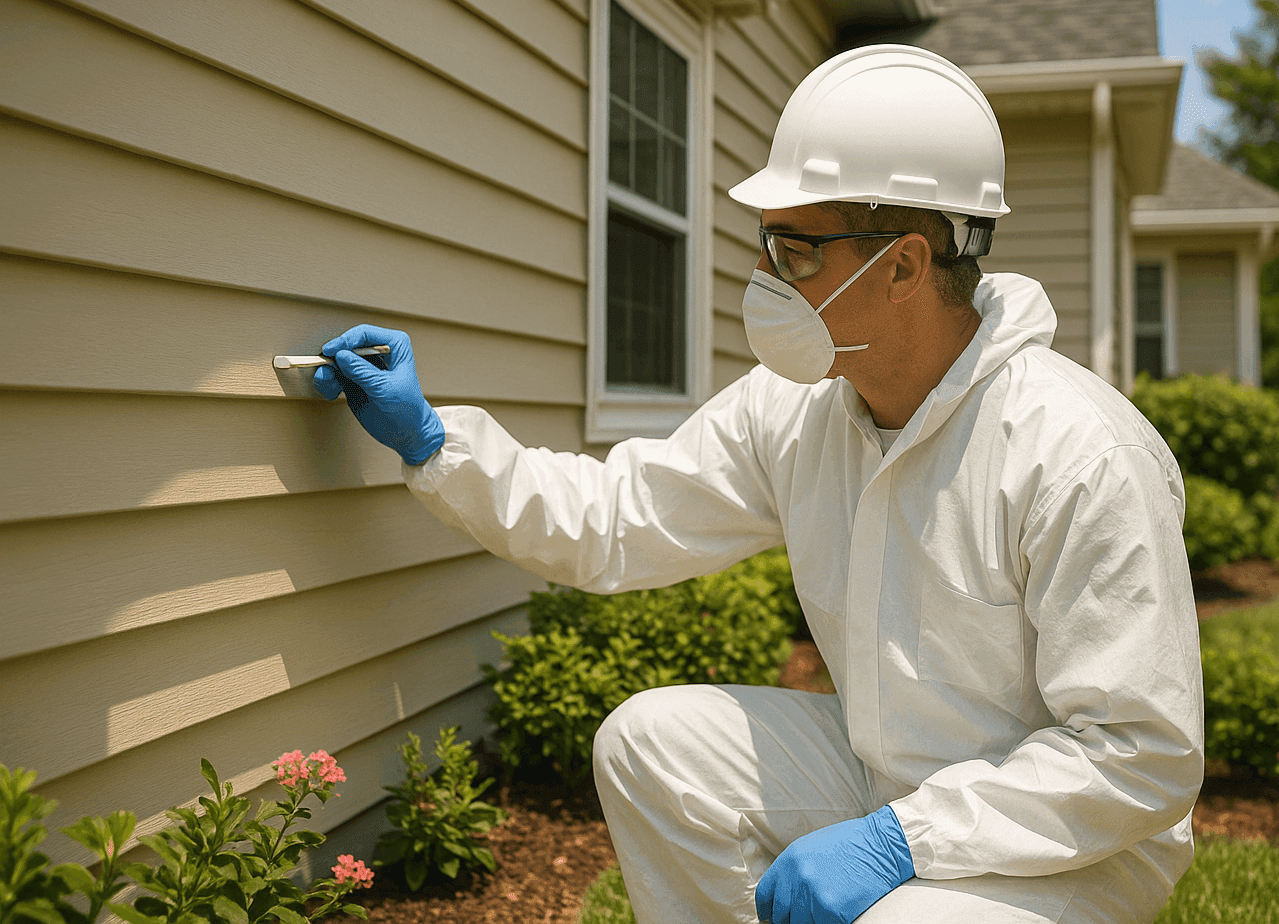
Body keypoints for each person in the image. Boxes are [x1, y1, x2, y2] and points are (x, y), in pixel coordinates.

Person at [314, 45, 1202, 924]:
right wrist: (434, 443)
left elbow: (1140, 756)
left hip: (1077, 839)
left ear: (902, 266)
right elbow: (618, 521)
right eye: (768, 244)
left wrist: (899, 841)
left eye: (796, 249)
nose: (767, 279)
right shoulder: (799, 409)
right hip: (888, 772)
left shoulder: (1079, 453)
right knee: (650, 744)